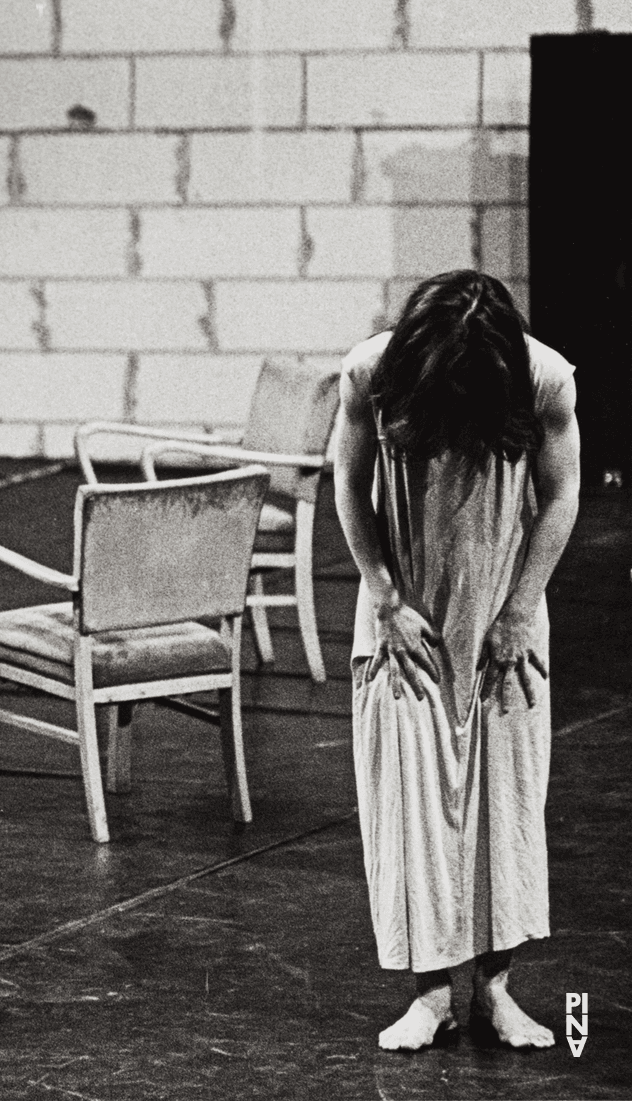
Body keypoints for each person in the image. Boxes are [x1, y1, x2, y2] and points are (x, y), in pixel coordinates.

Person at [334, 270, 580, 1051]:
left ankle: (497, 991)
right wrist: (382, 592)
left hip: (504, 612)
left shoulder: (544, 379)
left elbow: (564, 489)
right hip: (403, 613)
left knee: (504, 804)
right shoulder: (372, 373)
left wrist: (518, 608)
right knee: (410, 807)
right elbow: (348, 478)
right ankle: (432, 995)